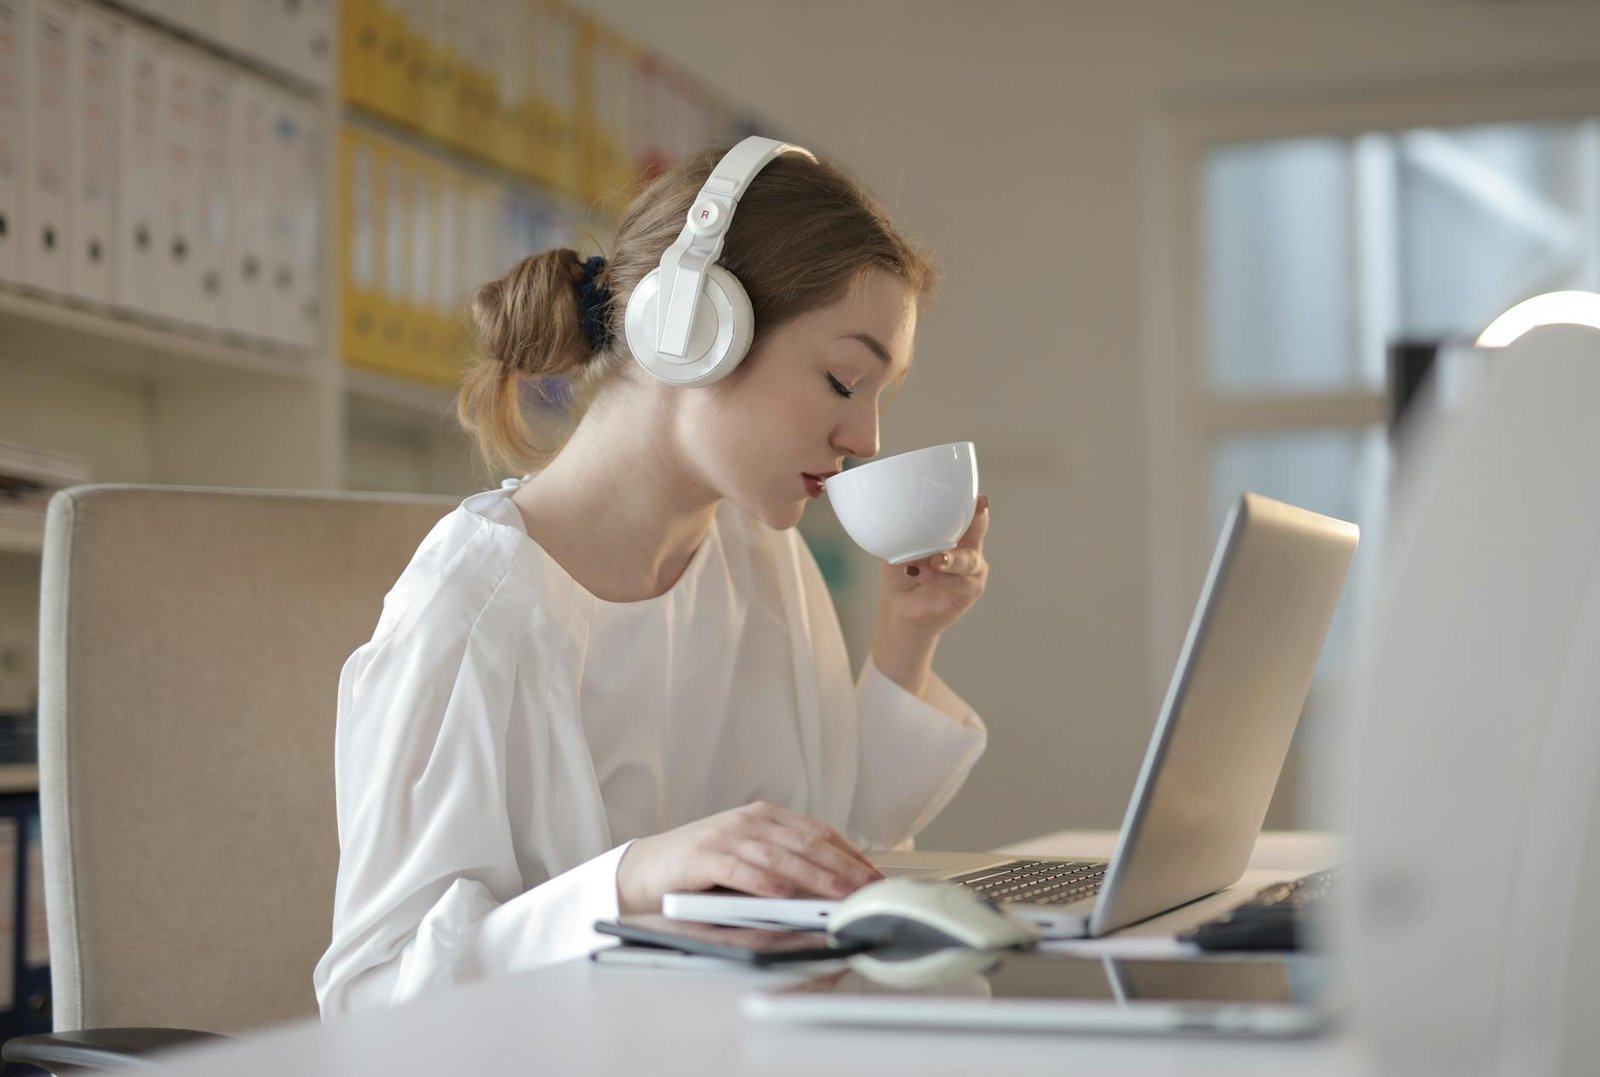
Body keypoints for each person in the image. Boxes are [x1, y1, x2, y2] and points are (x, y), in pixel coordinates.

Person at [313, 138, 993, 1017]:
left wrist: (908, 641)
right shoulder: (474, 609)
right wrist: (629, 882)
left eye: (877, 397)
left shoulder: (760, 553)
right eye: (841, 379)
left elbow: (825, 856)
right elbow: (371, 1002)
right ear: (692, 330)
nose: (864, 437)